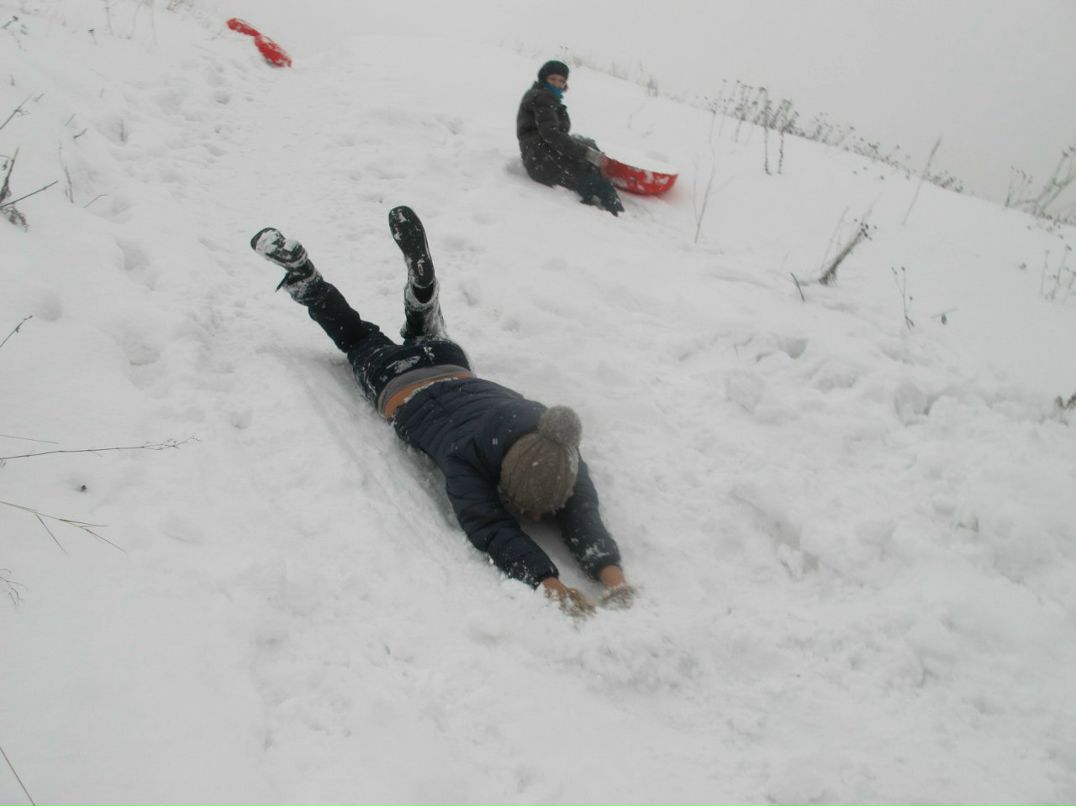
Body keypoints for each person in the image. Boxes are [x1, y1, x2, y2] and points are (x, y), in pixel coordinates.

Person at [250, 206, 635, 616]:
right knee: (355, 337)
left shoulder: (554, 437)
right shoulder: (466, 457)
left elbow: (581, 512)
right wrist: (548, 583)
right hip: (396, 381)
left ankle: (423, 295)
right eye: (533, 509)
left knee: (428, 334)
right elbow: (491, 527)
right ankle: (305, 277)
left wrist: (615, 581)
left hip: (450, 363)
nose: (539, 516)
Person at [516, 59, 625, 216]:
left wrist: (589, 152)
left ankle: (596, 172)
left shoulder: (544, 96)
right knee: (602, 186)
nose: (557, 84)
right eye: (552, 79)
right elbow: (552, 135)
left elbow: (555, 135)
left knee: (588, 143)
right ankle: (619, 216)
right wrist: (588, 154)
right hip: (542, 163)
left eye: (561, 81)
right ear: (544, 79)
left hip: (542, 154)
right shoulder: (543, 99)